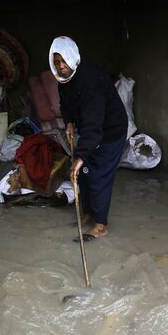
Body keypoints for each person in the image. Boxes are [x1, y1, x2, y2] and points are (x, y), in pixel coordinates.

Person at [49, 36, 127, 242]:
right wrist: (69, 122)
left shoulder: (91, 82)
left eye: (64, 61)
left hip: (110, 130)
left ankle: (101, 225)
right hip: (92, 130)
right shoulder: (65, 79)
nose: (61, 66)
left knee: (98, 176)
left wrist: (81, 157)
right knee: (84, 174)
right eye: (57, 62)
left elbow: (94, 124)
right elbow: (65, 103)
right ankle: (89, 214)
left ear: (73, 57)